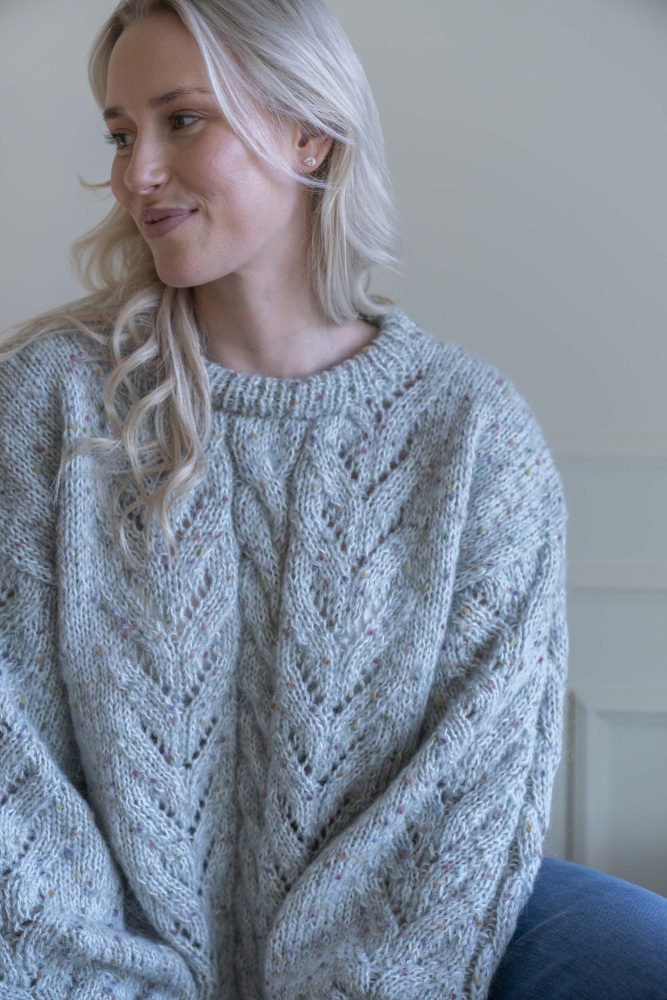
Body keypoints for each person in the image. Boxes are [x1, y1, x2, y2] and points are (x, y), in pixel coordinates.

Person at [1, 2, 665, 998]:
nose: (137, 173)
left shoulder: (472, 437)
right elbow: (14, 783)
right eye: (121, 134)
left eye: (183, 120)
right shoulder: (49, 401)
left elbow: (465, 803)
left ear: (311, 131)